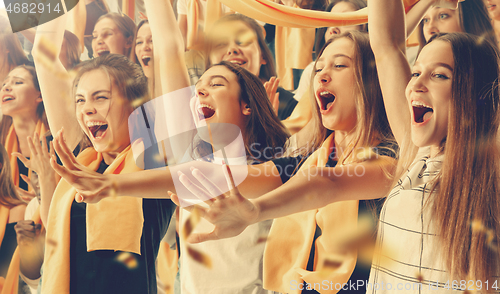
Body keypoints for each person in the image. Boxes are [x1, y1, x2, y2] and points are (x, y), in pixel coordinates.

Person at [205, 14, 298, 120]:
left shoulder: (290, 106)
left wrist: (270, 124)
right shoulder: (199, 105)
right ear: (210, 62)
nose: (232, 49)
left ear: (262, 55)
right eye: (221, 44)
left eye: (243, 41)